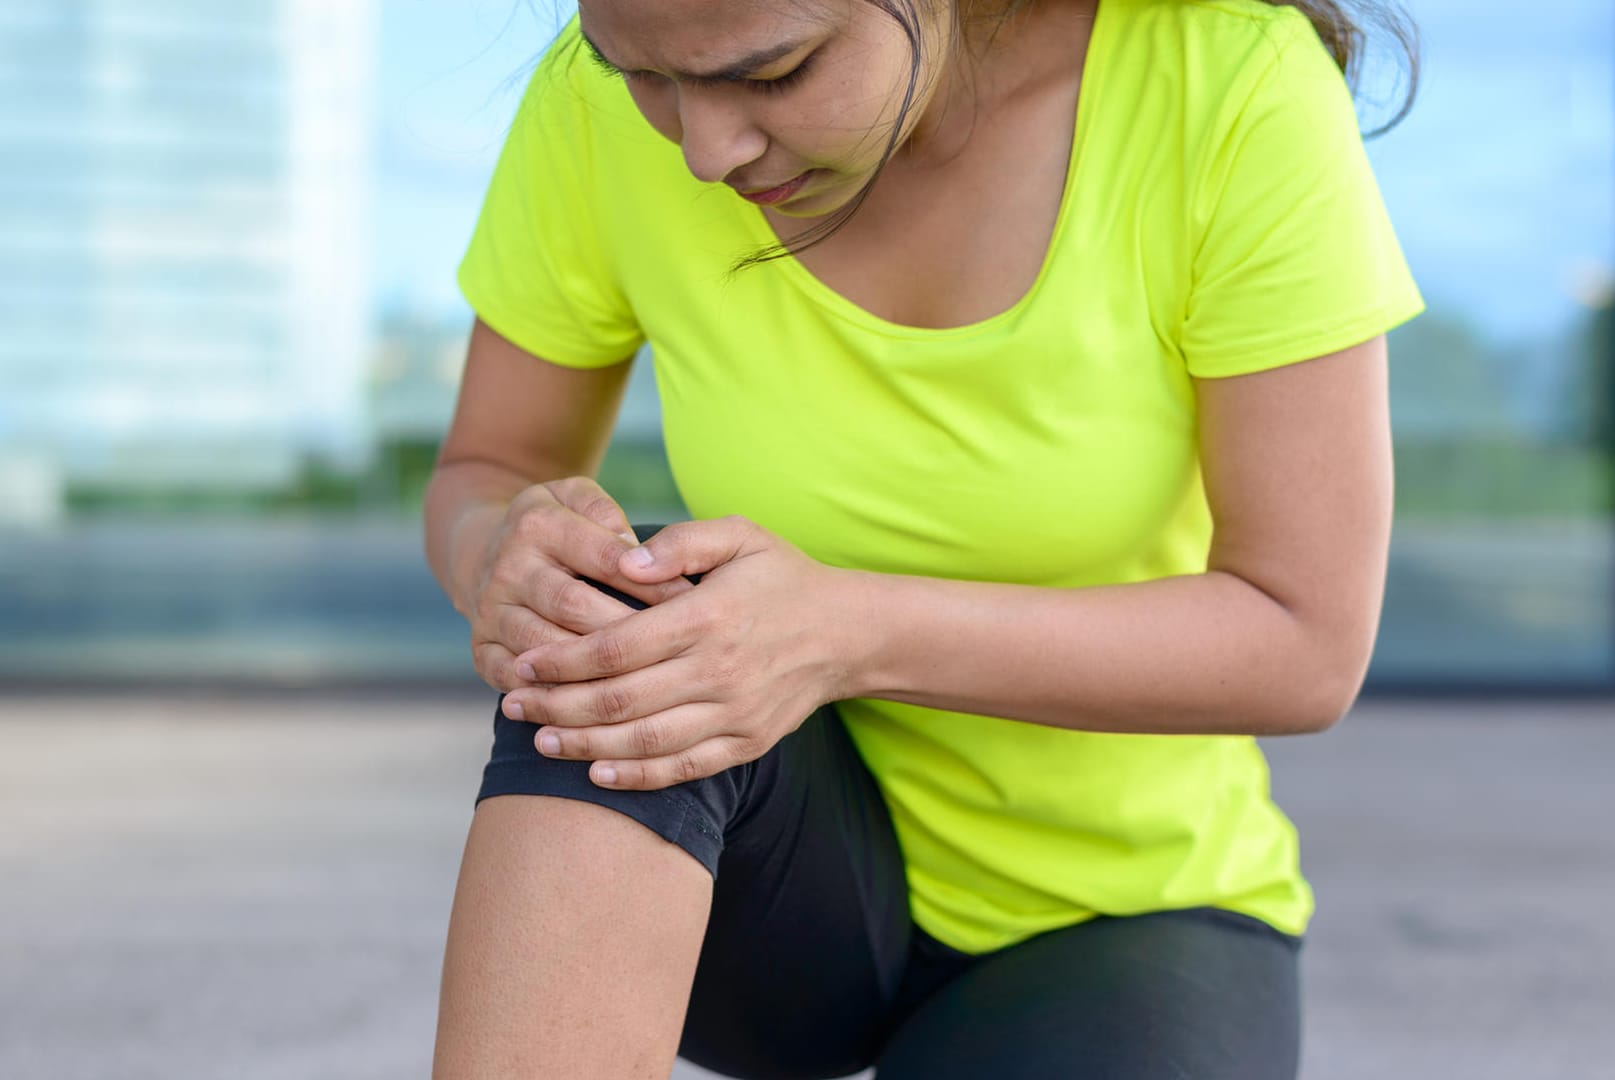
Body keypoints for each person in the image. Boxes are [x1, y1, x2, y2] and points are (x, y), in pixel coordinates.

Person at [423, 0, 1423, 1074]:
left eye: (777, 74)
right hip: (771, 884)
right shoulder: (605, 96)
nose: (705, 150)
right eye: (645, 78)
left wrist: (844, 630)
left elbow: (1305, 641)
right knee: (628, 618)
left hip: (1115, 909)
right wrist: (501, 555)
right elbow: (487, 472)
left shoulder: (1230, 83)